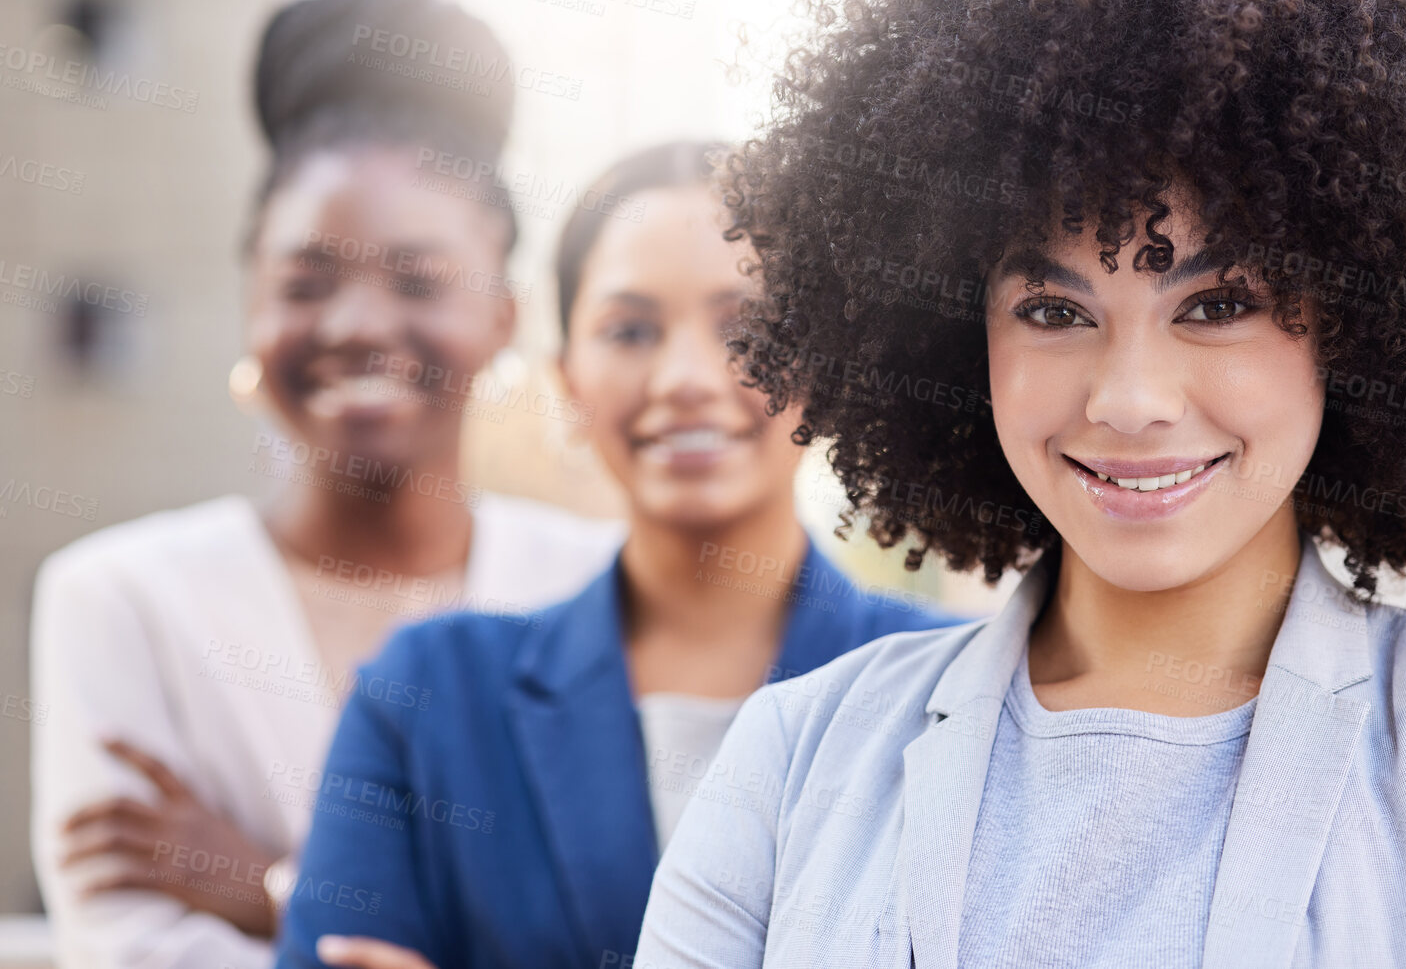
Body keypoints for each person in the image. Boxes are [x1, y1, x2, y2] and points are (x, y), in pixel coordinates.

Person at [634, 0, 1406, 968]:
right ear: (965, 344)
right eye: (1053, 312)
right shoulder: (793, 756)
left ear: (1360, 327)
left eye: (1219, 302)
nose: (1130, 397)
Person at [30, 0, 623, 969]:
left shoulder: (601, 591)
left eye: (418, 280)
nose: (354, 323)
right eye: (305, 282)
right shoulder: (120, 596)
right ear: (251, 311)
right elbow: (128, 946)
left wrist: (269, 886)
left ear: (504, 319)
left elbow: (632, 931)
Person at [273, 141, 962, 969]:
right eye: (629, 329)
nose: (685, 378)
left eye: (745, 327)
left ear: (824, 367)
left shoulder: (950, 691)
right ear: (567, 383)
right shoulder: (424, 696)